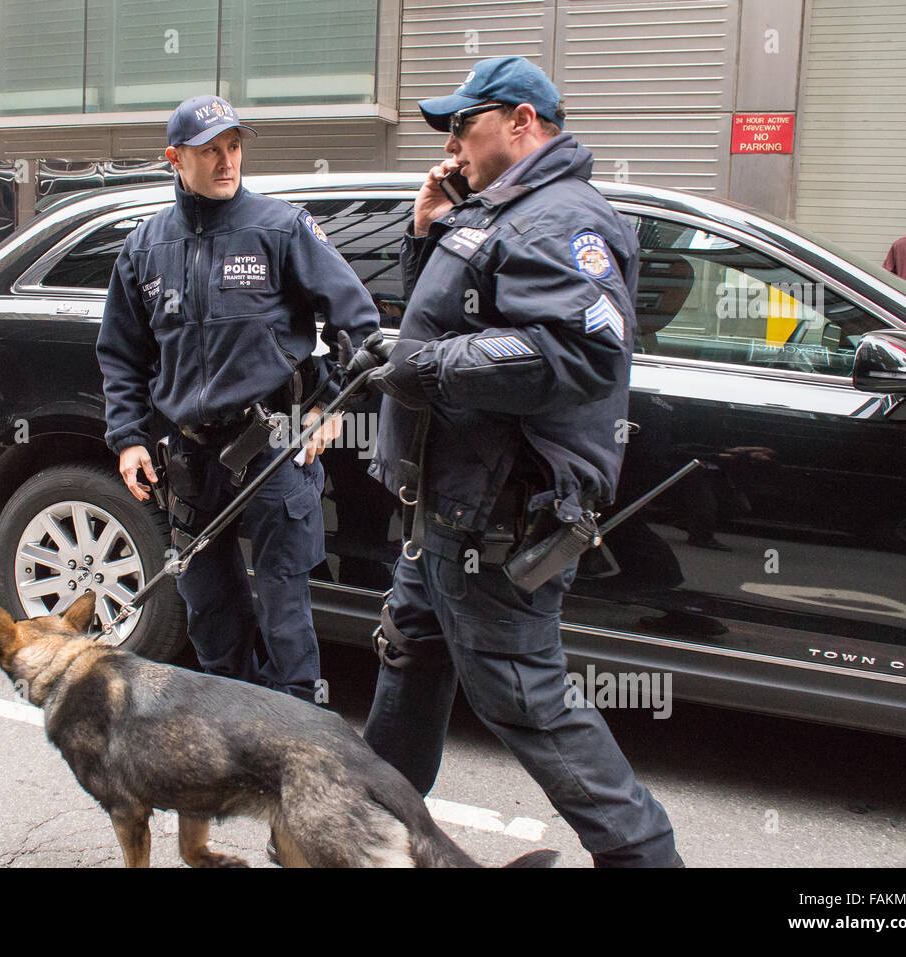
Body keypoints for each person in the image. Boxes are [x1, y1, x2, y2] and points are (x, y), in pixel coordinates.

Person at [355, 56, 682, 866]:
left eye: (464, 125)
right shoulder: (497, 210)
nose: (453, 144)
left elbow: (574, 351)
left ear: (522, 122)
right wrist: (429, 232)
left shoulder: (561, 218)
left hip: (493, 520)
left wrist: (419, 366)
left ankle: (648, 858)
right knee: (412, 657)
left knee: (528, 702)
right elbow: (448, 317)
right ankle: (362, 839)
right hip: (446, 510)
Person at [97, 94, 379, 702]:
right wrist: (128, 437)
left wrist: (332, 408)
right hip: (189, 456)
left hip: (276, 448)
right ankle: (231, 729)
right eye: (209, 151)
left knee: (283, 603)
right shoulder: (145, 247)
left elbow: (359, 321)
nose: (227, 162)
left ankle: (295, 731)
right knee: (209, 604)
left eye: (234, 147)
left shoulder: (280, 227)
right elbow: (122, 354)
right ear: (175, 158)